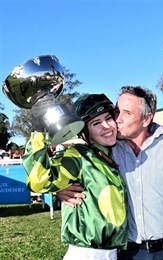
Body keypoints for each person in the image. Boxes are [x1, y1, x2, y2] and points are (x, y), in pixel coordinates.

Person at [58, 86, 163, 260]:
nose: (117, 119)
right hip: (129, 253)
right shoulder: (108, 149)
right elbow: (78, 171)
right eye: (117, 111)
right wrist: (61, 190)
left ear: (146, 119)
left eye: (126, 113)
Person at [23, 93, 128, 260]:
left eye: (109, 118)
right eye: (96, 123)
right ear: (84, 131)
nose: (107, 126)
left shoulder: (107, 155)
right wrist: (37, 130)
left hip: (112, 253)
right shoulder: (78, 156)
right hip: (87, 254)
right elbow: (38, 182)